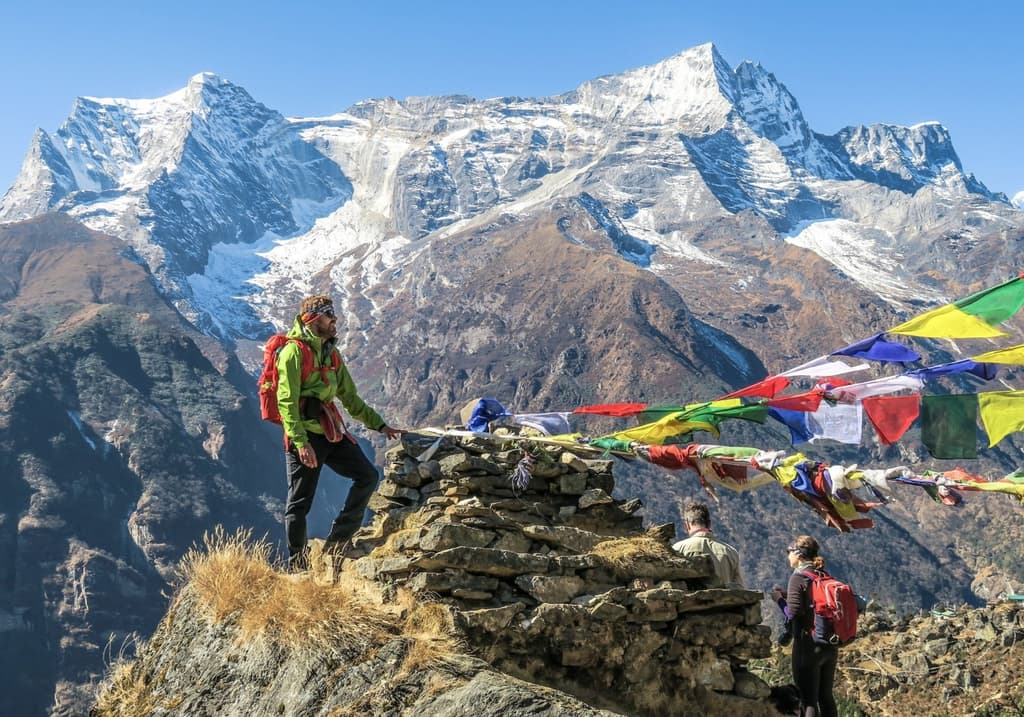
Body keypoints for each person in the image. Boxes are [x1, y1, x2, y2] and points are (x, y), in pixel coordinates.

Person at [276, 295, 401, 570]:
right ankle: (298, 565)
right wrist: (300, 443)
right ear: (312, 319)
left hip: (330, 432)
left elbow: (350, 398)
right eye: (328, 314)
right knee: (299, 503)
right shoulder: (293, 353)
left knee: (367, 476)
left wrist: (380, 424)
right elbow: (286, 402)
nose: (335, 319)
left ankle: (339, 540)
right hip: (306, 437)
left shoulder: (331, 353)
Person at [783, 535, 838, 717]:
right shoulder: (823, 575)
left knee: (808, 700)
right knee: (826, 697)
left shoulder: (798, 578)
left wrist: (778, 600)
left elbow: (793, 613)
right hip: (829, 644)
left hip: (808, 645)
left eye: (789, 551)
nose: (787, 555)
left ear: (798, 554)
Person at [671, 502, 745, 588]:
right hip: (724, 600)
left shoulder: (677, 550)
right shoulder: (731, 552)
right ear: (709, 524)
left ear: (687, 525)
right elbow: (740, 588)